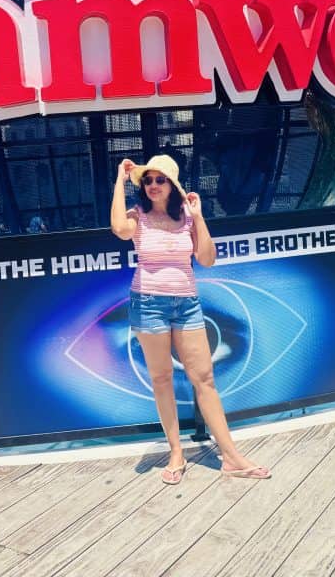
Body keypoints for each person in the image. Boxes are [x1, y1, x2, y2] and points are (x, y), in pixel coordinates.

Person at [111, 154, 271, 485]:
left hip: (187, 305)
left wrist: (198, 218)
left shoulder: (186, 216)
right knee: (162, 379)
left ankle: (231, 456)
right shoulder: (136, 215)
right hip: (148, 304)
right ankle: (176, 453)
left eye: (160, 180)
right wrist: (119, 181)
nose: (153, 185)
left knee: (204, 379)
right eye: (149, 180)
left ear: (172, 185)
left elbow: (207, 259)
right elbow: (118, 229)